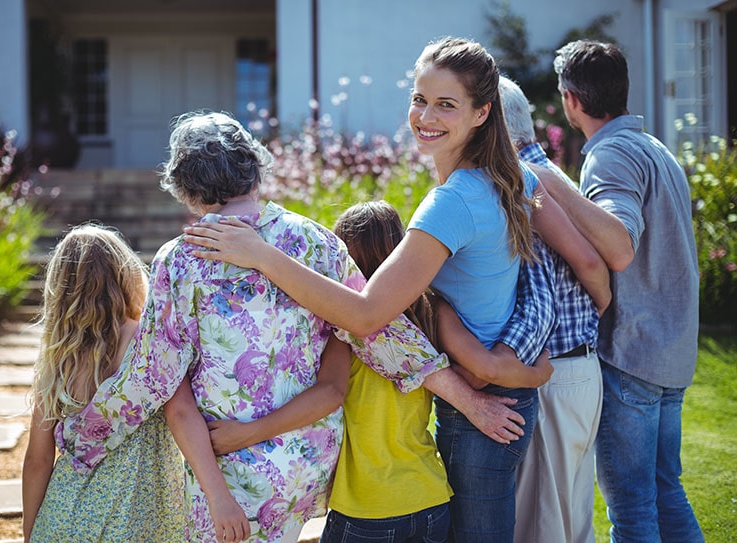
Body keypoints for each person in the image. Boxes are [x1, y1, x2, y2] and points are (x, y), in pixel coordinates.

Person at [184, 38, 609, 543]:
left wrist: (262, 255)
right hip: (495, 391)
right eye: (419, 99)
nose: (425, 116)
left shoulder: (453, 202)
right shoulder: (506, 176)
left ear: (482, 113)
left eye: (446, 104)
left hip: (484, 407)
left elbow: (366, 315)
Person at [53, 112, 532, 543]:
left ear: (185, 187)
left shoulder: (181, 261)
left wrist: (82, 439)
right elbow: (379, 332)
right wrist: (470, 401)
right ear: (254, 169)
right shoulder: (314, 240)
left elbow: (152, 376)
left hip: (230, 470)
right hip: (306, 463)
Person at [204, 200, 554, 543]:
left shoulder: (343, 327)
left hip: (366, 506)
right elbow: (477, 373)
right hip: (430, 496)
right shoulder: (432, 309)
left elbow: (329, 393)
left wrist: (248, 432)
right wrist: (536, 374)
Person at [535, 40, 703, 543]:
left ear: (571, 100)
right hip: (670, 356)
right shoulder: (656, 149)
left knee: (632, 509)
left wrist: (548, 180)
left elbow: (621, 245)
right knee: (664, 492)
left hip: (633, 358)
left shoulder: (610, 155)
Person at [23, 224, 247, 542]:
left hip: (63, 517)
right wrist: (218, 497)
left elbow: (38, 459)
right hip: (139, 521)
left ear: (59, 287)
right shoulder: (149, 343)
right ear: (125, 274)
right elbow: (182, 414)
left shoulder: (58, 357)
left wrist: (32, 532)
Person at [498, 76, 605, 543]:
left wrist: (601, 307)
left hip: (556, 370)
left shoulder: (525, 176)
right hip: (575, 366)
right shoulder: (549, 170)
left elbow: (586, 259)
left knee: (544, 524)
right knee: (569, 516)